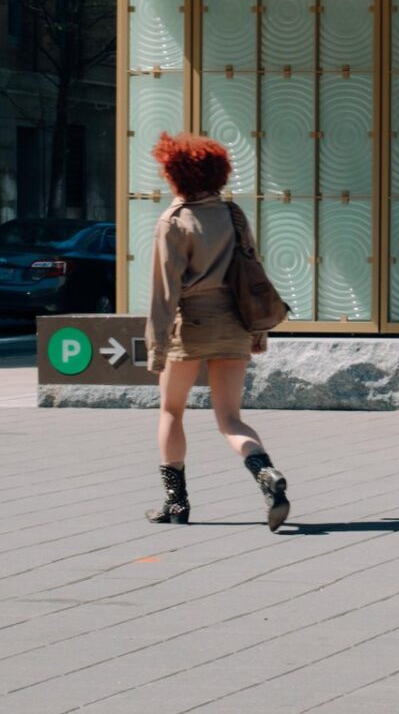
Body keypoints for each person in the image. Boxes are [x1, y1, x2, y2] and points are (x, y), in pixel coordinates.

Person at [144, 130, 290, 531]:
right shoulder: (234, 215)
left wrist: (155, 348)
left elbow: (163, 293)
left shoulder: (173, 222)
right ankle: (265, 474)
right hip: (235, 324)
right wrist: (258, 332)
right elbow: (254, 273)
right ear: (218, 173)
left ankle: (176, 503)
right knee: (230, 419)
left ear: (174, 174)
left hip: (189, 327)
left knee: (172, 411)